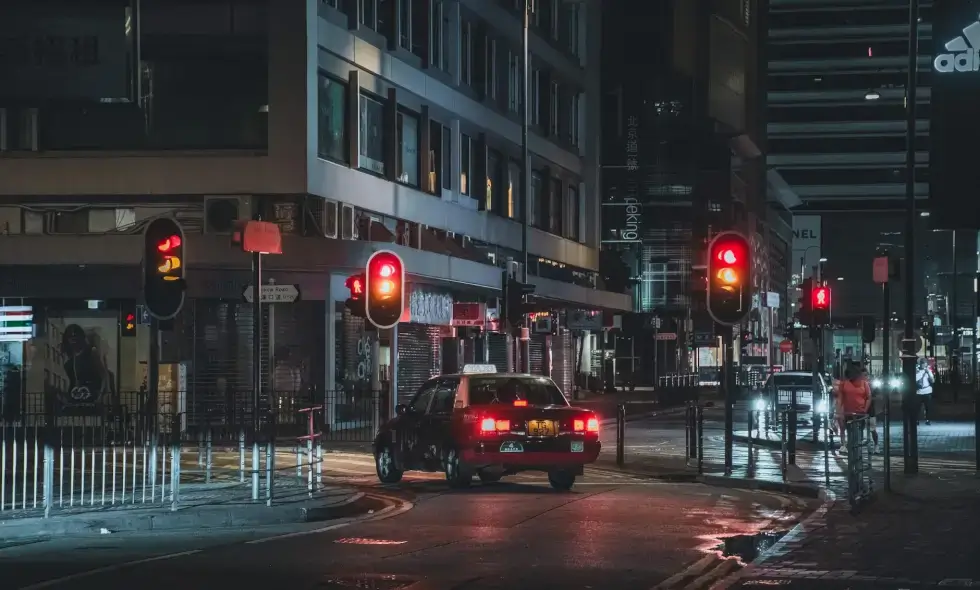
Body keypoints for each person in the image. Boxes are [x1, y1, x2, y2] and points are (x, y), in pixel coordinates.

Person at [835, 362, 871, 452]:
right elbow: (840, 399)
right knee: (848, 430)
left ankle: (855, 449)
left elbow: (869, 397)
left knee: (859, 432)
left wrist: (865, 409)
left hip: (860, 413)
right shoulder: (844, 384)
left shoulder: (864, 384)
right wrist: (838, 412)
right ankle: (848, 447)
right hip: (848, 412)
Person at [915, 357, 935, 425]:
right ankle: (917, 420)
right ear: (920, 364)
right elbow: (915, 380)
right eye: (922, 363)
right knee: (917, 407)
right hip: (919, 391)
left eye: (925, 363)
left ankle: (927, 420)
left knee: (928, 407)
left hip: (927, 391)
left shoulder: (928, 371)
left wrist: (928, 373)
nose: (924, 365)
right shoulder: (916, 371)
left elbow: (933, 380)